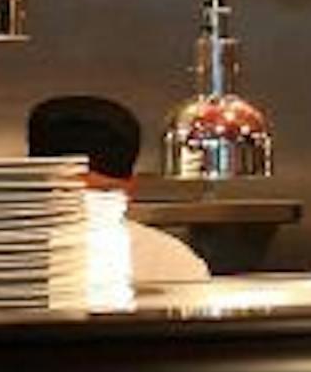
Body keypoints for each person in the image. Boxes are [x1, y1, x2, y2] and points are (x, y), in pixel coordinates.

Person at [26, 95, 211, 284]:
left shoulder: (171, 263)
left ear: (130, 189)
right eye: (65, 193)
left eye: (101, 195)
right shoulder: (4, 257)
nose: (83, 210)